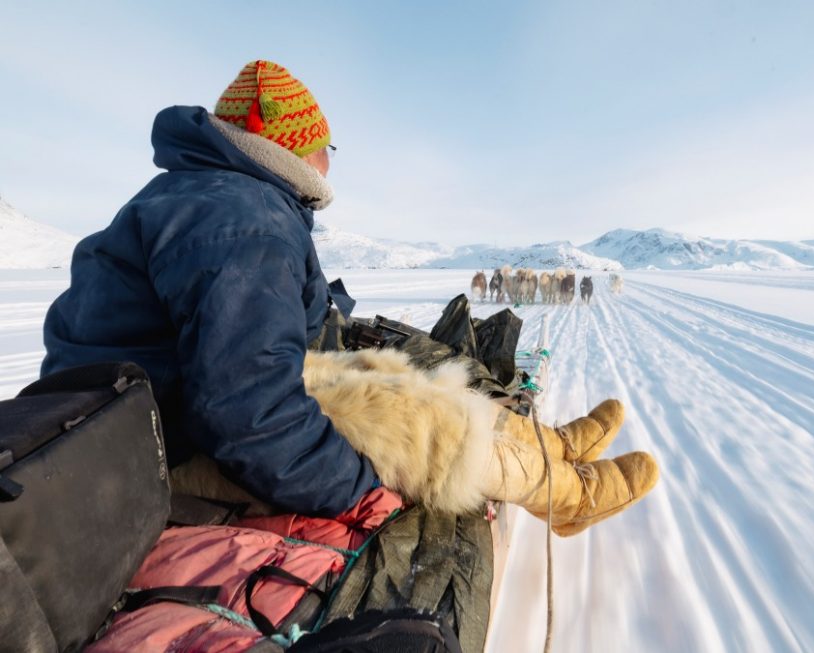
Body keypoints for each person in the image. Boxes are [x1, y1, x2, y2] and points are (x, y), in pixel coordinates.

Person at [41, 60, 658, 533]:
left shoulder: (220, 197)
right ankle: (570, 499)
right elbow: (244, 407)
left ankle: (554, 449)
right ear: (291, 148)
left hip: (158, 412)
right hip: (157, 452)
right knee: (420, 421)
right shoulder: (243, 220)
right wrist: (351, 487)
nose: (328, 163)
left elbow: (253, 361)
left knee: (399, 375)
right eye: (324, 149)